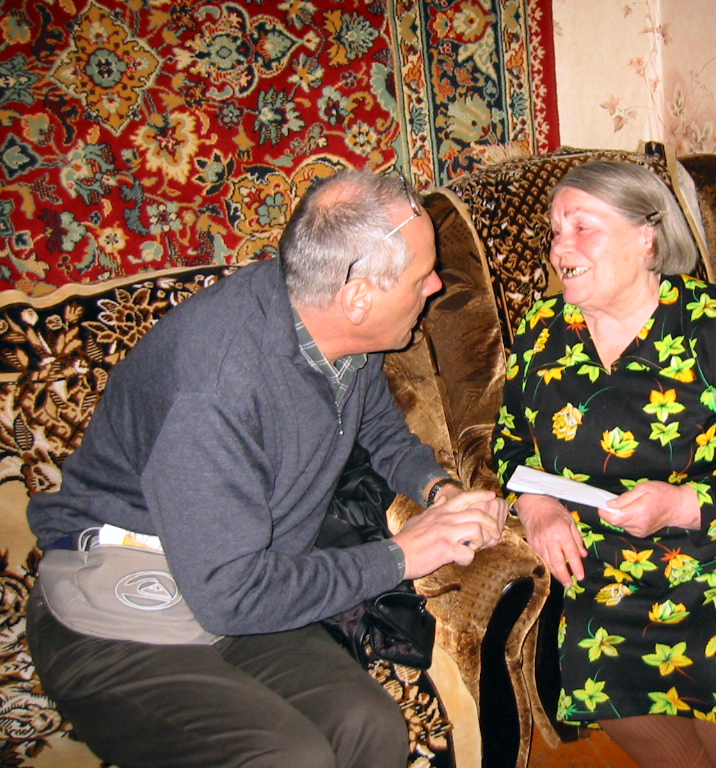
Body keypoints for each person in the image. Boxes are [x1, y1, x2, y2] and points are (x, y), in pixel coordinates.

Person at [26, 169, 508, 768]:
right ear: (359, 298)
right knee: (289, 757)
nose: (435, 286)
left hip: (234, 588)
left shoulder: (330, 323)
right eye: (421, 276)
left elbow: (378, 427)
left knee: (371, 727)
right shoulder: (215, 389)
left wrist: (438, 491)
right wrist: (403, 555)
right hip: (117, 617)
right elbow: (231, 596)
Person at [492, 161, 716, 768]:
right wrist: (537, 507)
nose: (561, 246)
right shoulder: (542, 332)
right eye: (556, 230)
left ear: (648, 235)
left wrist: (682, 504)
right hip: (606, 550)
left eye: (582, 227)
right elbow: (510, 446)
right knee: (591, 654)